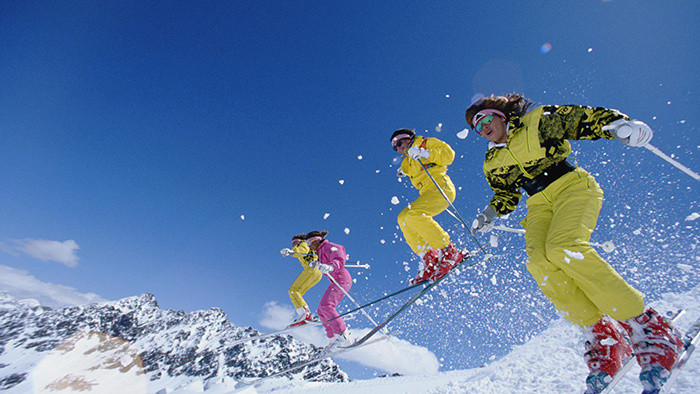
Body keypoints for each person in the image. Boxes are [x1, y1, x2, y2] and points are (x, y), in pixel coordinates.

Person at [465, 93, 683, 393]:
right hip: (538, 204)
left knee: (563, 248)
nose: (484, 127)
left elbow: (578, 120)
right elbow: (507, 194)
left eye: (487, 118)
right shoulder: (493, 161)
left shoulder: (535, 121)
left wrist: (617, 126)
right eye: (478, 127)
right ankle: (604, 337)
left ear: (501, 115)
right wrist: (490, 213)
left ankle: (648, 326)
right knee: (539, 263)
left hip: (571, 186)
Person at [390, 128, 466, 284]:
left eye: (399, 142)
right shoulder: (407, 161)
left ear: (408, 138)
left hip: (441, 187)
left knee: (413, 215)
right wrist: (403, 171)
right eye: (394, 147)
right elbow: (408, 169)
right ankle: (429, 257)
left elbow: (449, 155)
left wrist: (426, 154)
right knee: (403, 218)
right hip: (426, 193)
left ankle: (449, 250)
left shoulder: (425, 143)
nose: (398, 148)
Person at [305, 230, 353, 346]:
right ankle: (333, 338)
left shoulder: (329, 246)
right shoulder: (320, 252)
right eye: (307, 244)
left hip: (342, 279)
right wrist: (316, 264)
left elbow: (339, 256)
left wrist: (331, 267)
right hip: (335, 281)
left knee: (327, 306)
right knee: (321, 311)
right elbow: (324, 263)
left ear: (317, 240)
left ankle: (342, 334)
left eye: (310, 243)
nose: (309, 246)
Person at [280, 234, 323, 327]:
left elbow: (303, 251)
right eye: (292, 243)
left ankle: (305, 315)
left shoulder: (302, 245)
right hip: (317, 273)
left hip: (311, 271)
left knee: (293, 290)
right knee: (297, 293)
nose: (293, 245)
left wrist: (291, 252)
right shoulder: (305, 246)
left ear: (299, 241)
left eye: (294, 242)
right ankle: (305, 314)